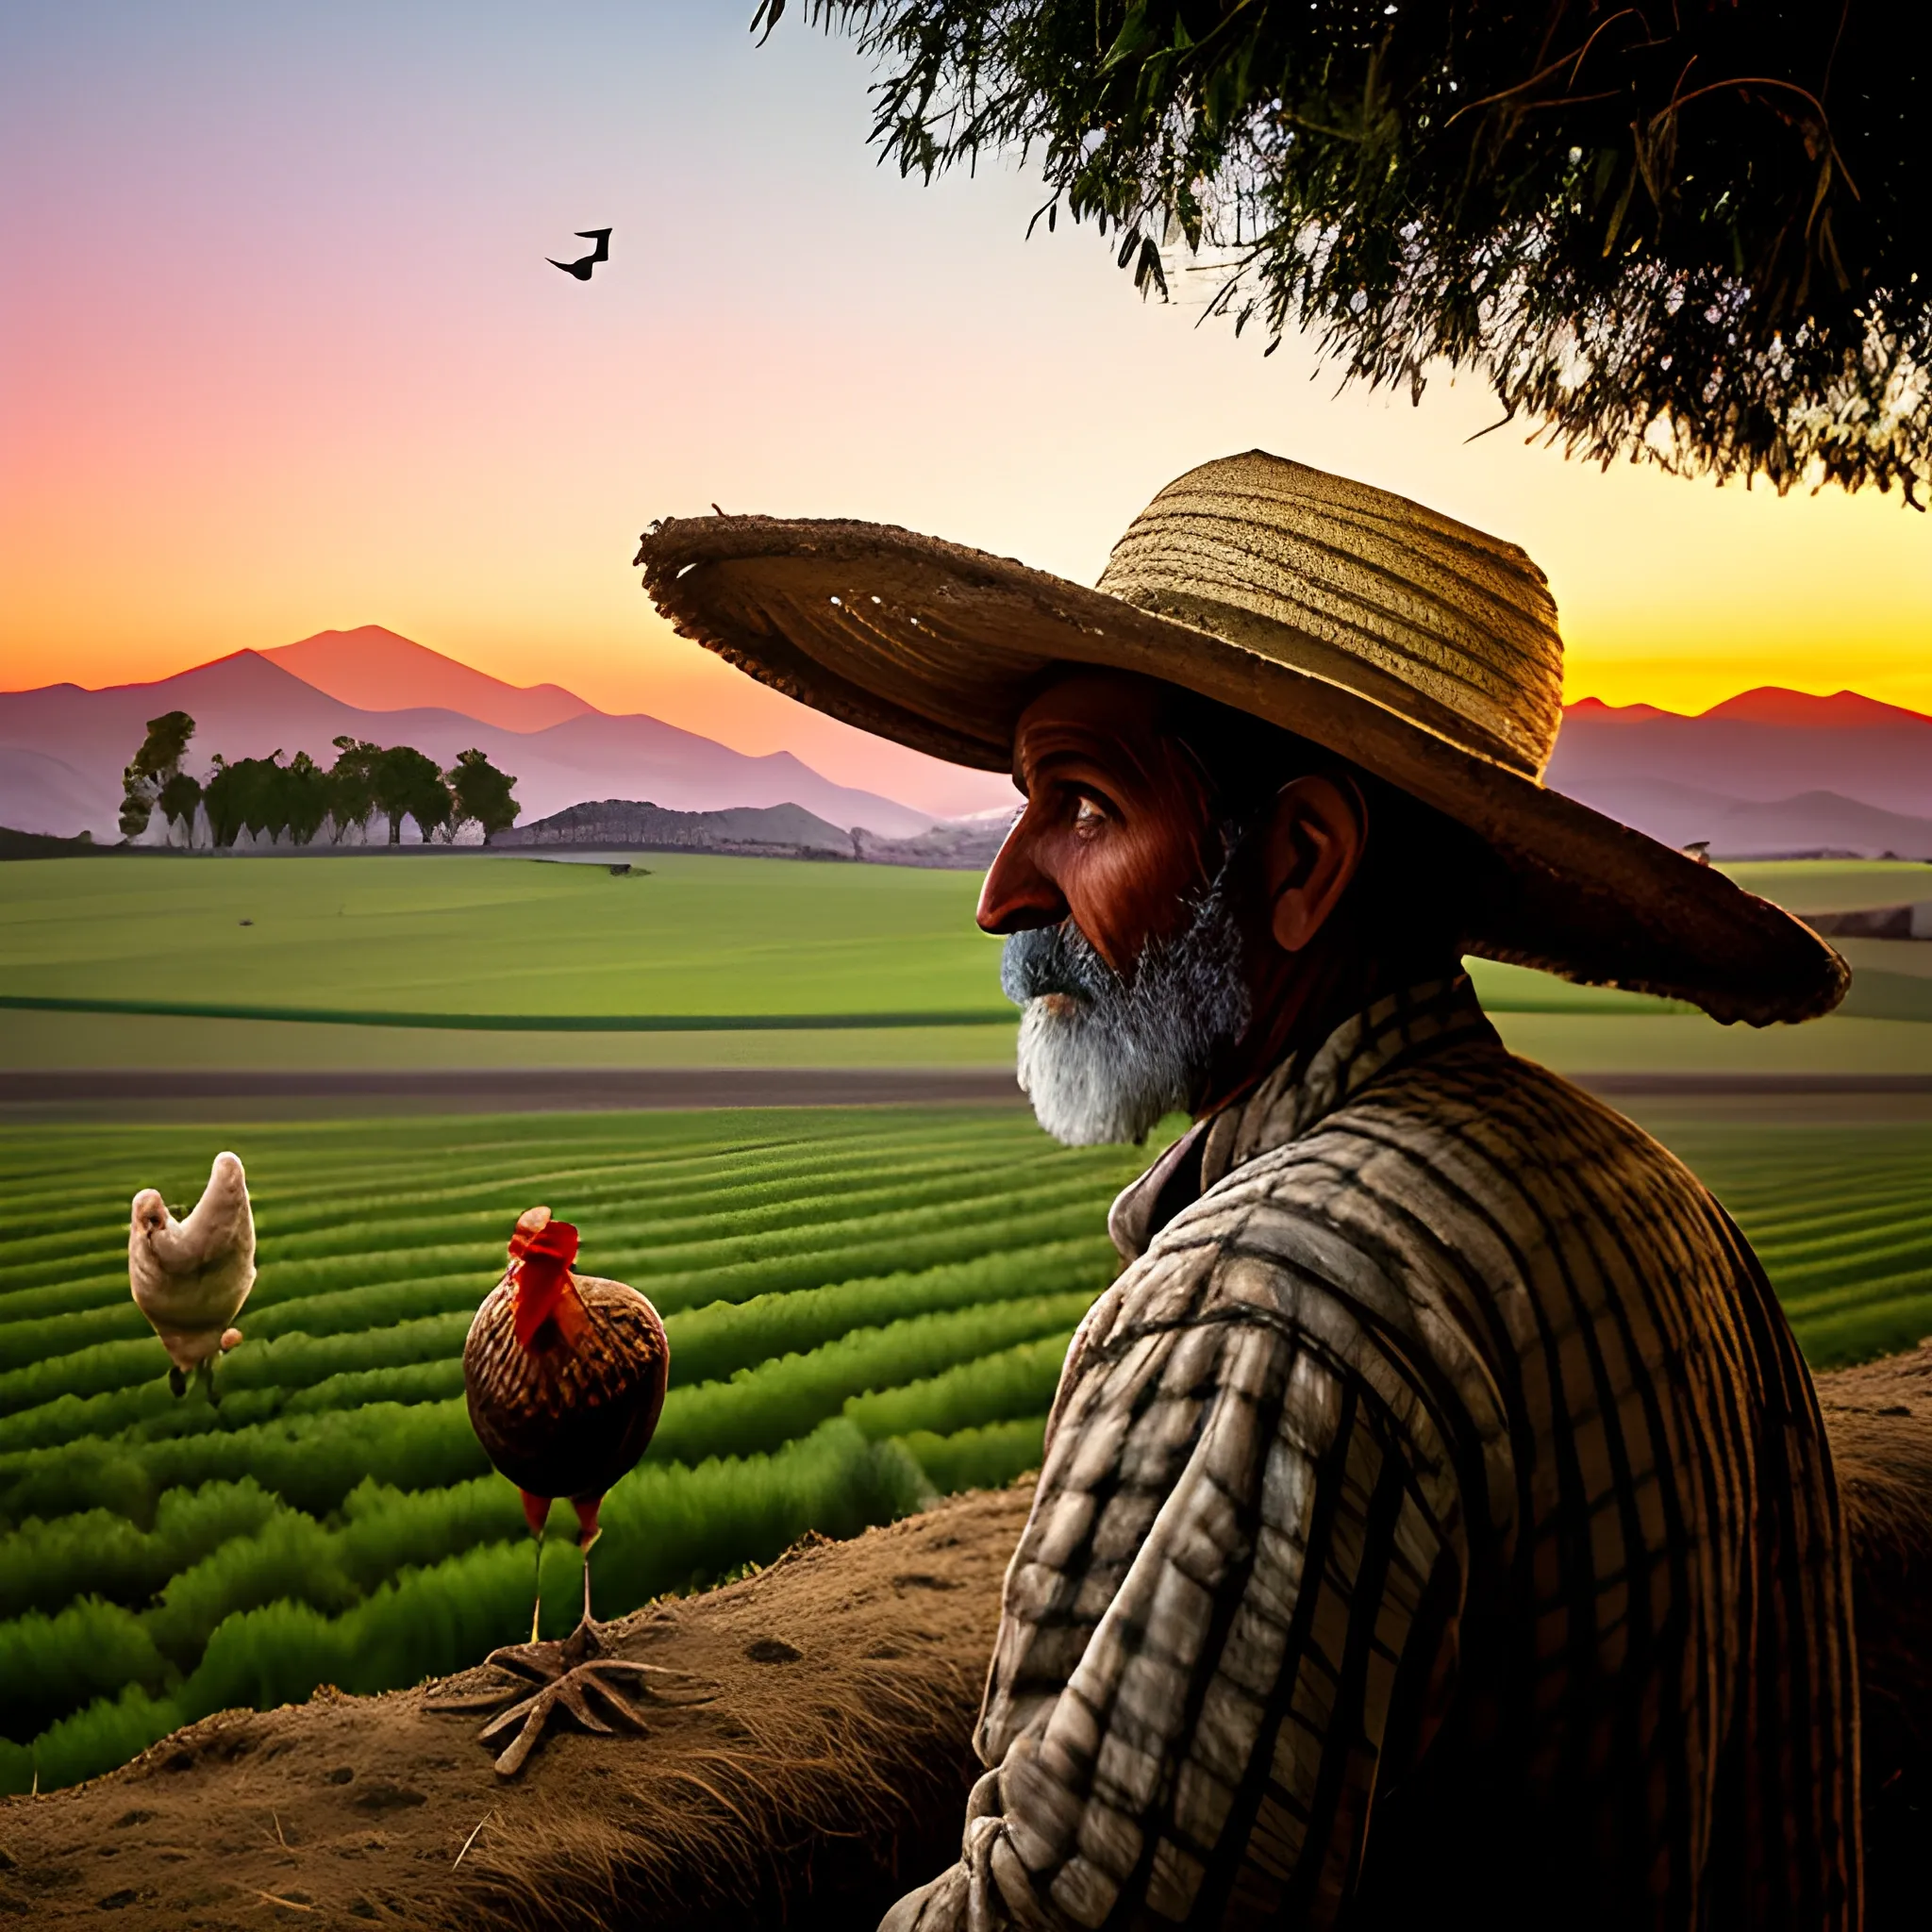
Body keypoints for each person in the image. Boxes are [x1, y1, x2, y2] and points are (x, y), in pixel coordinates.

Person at [638, 452, 1861, 1929]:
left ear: (1299, 860)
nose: (1004, 890)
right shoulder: (1661, 1204)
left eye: (1083, 806)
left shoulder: (1271, 1312)